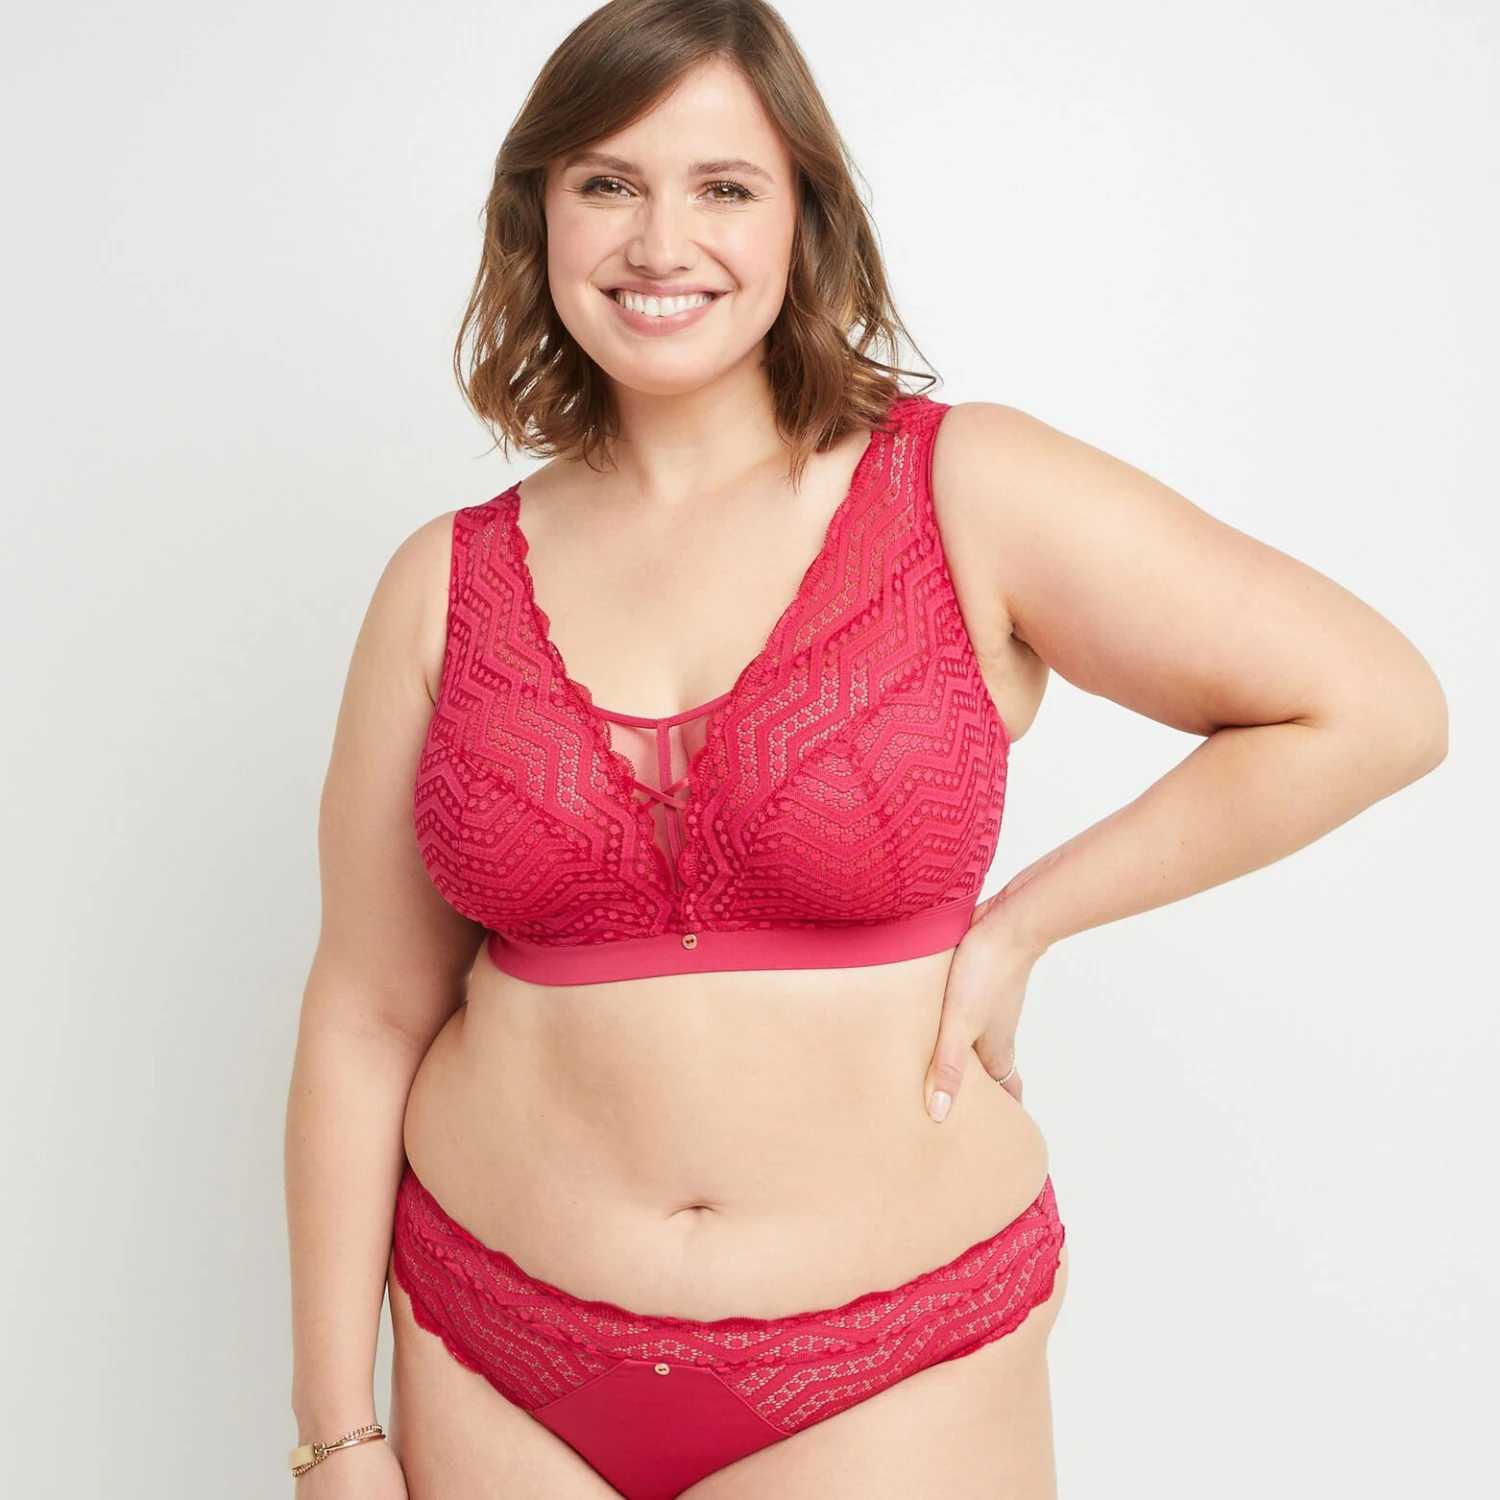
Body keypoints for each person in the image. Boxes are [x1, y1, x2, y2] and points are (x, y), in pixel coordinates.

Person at [282, 2, 1448, 1497]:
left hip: (894, 1366)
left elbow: (1370, 705)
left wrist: (1024, 923)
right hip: (492, 1356)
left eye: (723, 186)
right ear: (540, 215)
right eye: (607, 183)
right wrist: (337, 1430)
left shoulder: (965, 486)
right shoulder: (444, 581)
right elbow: (367, 1012)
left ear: (804, 217)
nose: (659, 241)